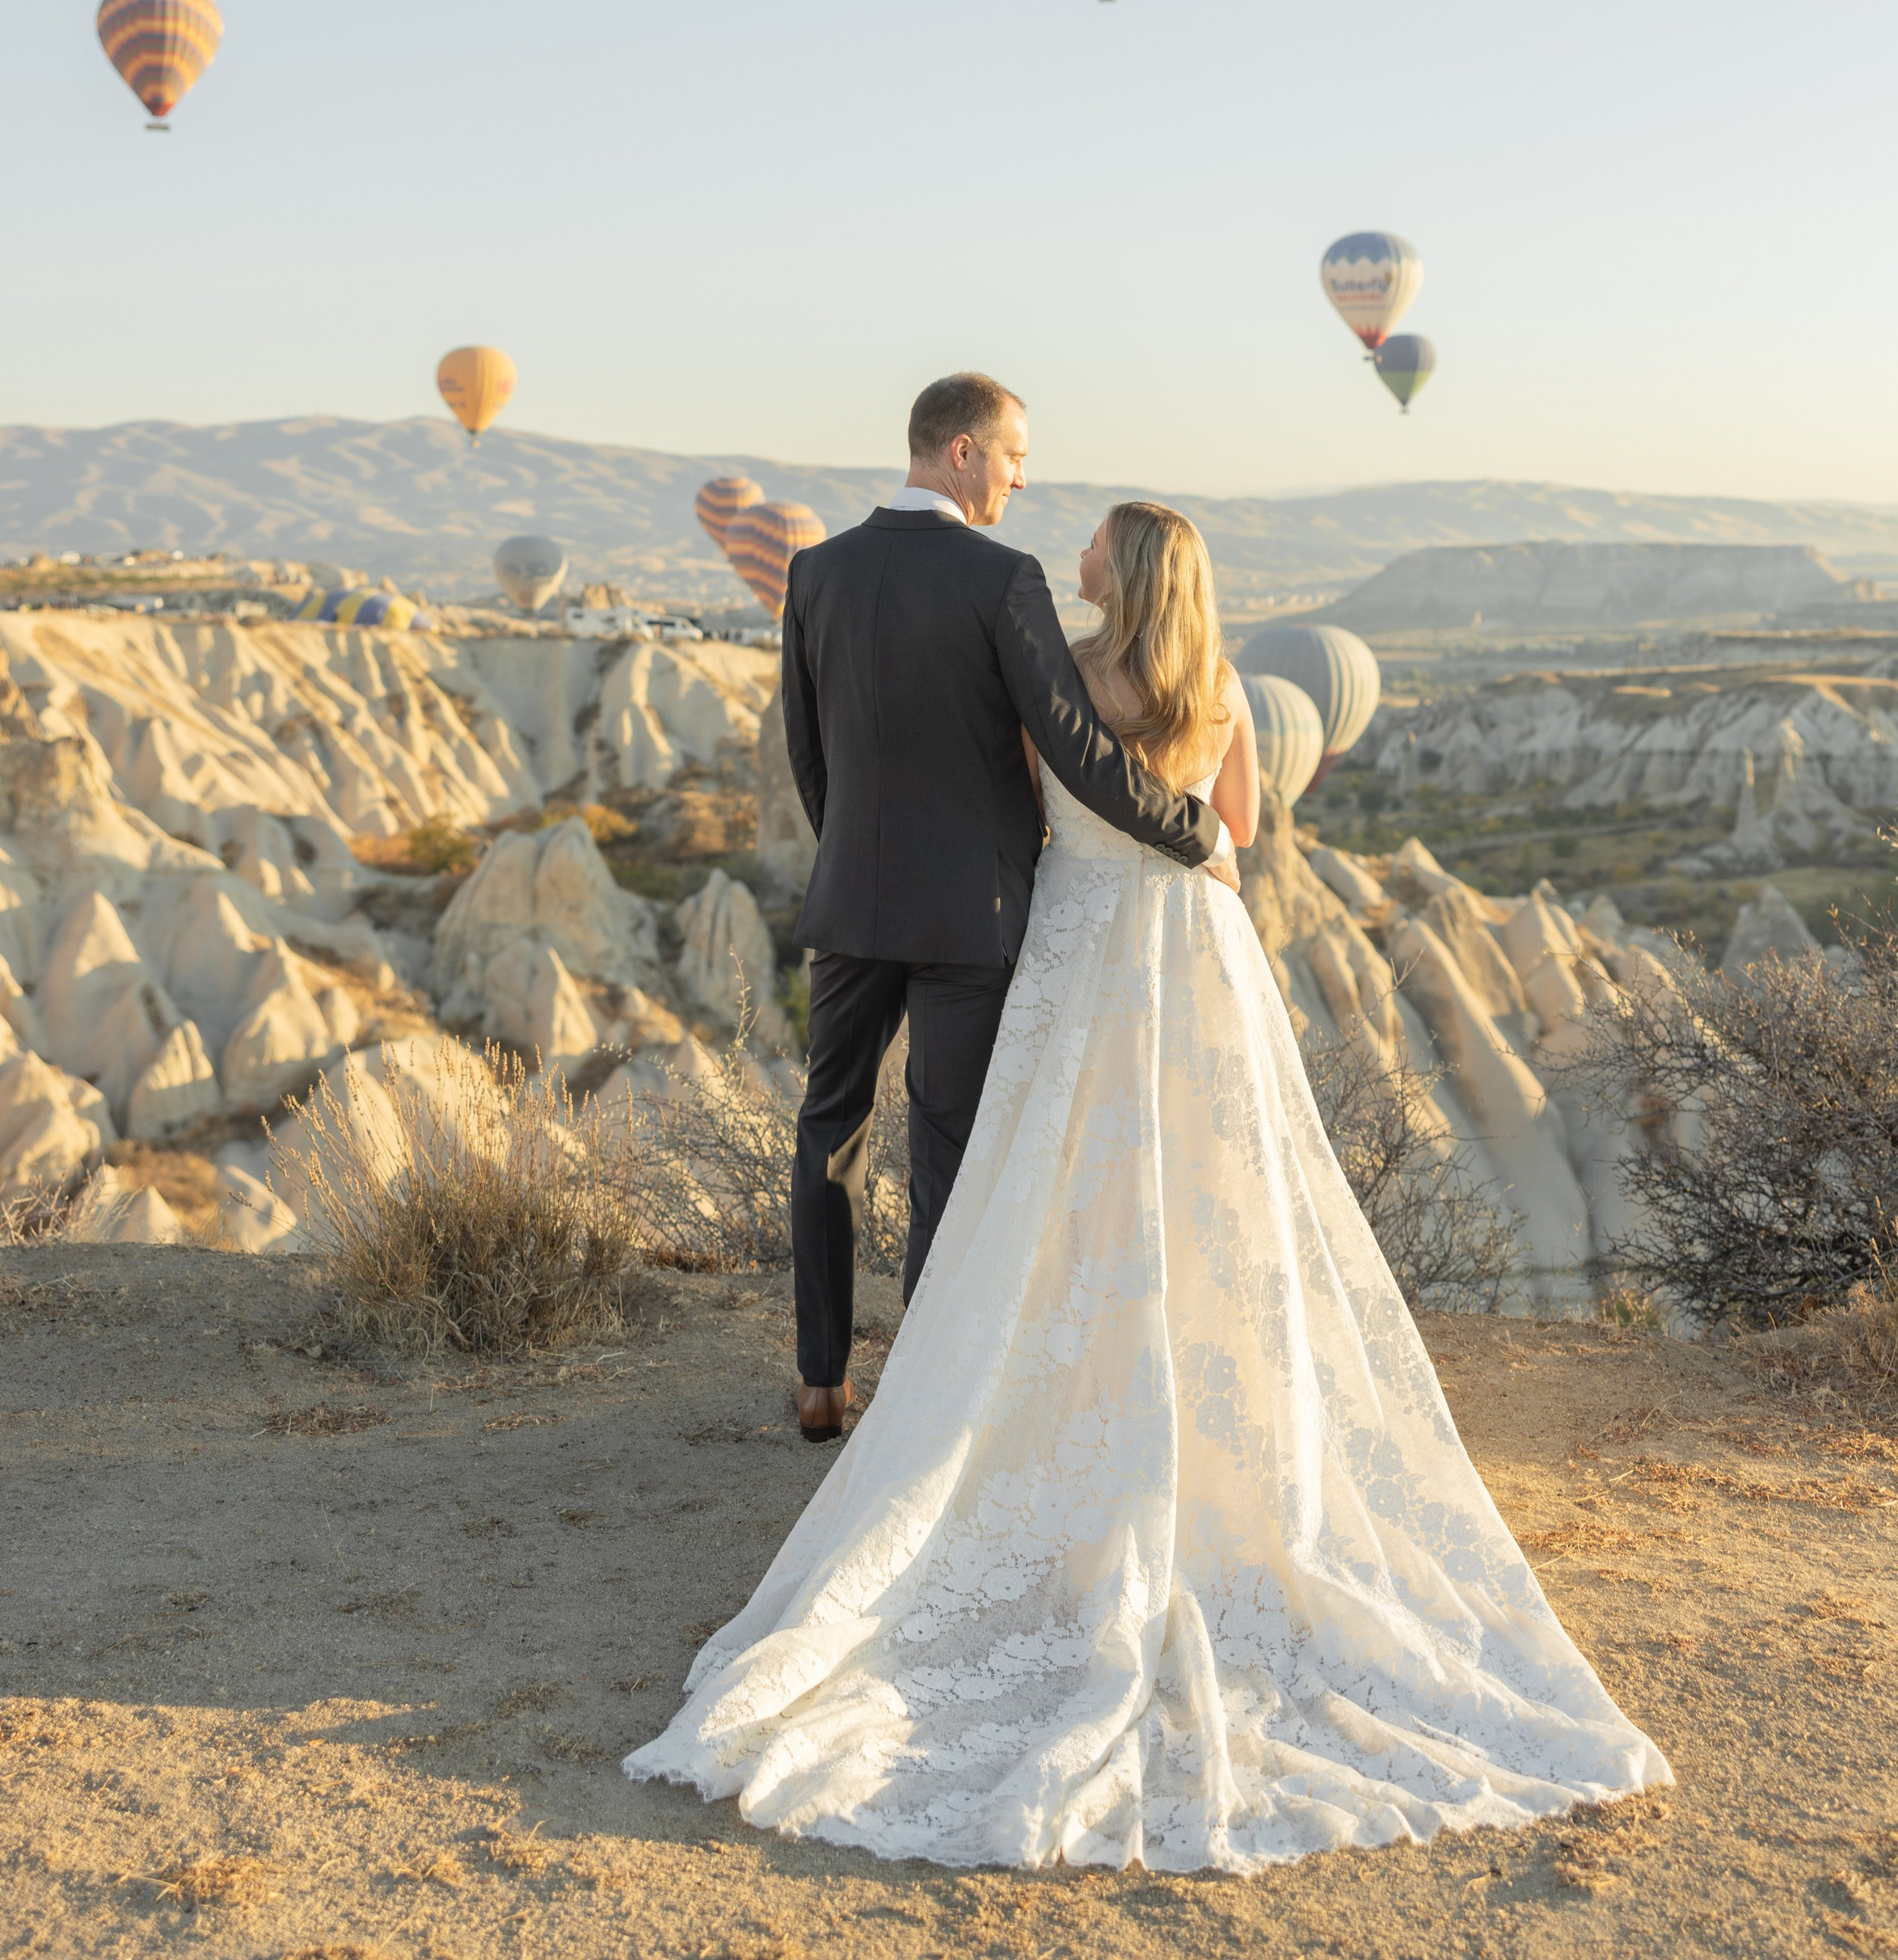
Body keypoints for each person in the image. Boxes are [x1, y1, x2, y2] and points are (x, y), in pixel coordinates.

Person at [626, 497, 1669, 1871]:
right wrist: (1192, 835)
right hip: (1196, 946)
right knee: (1214, 1189)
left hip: (1074, 940)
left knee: (1048, 1188)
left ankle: (1011, 1391)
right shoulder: (1222, 684)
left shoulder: (1068, 669)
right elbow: (1240, 826)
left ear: (1122, 569)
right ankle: (1195, 1407)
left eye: (1096, 543)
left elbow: (1032, 792)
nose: (1074, 552)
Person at [770, 372, 1229, 1444]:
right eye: (1015, 457)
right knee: (948, 1150)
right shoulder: (1002, 577)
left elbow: (809, 751)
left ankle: (821, 1381)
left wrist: (856, 856)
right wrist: (1198, 833)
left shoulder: (817, 570)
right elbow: (1077, 749)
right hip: (968, 915)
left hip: (852, 903)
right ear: (964, 451)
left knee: (829, 1128)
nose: (1022, 480)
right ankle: (925, 1398)